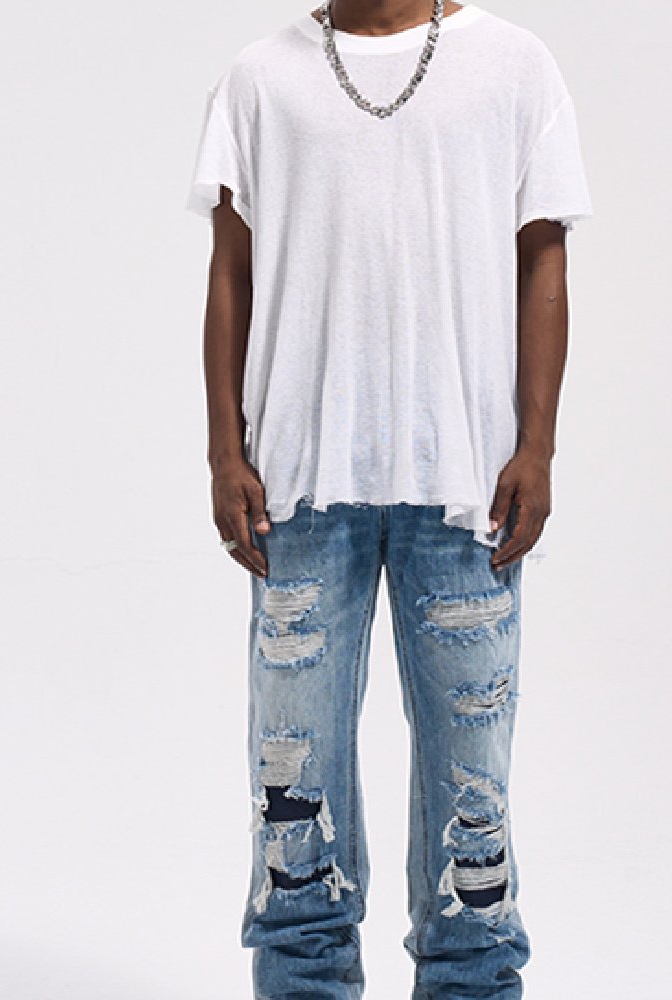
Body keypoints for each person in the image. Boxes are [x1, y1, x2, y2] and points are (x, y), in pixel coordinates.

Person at [186, 1, 593, 995]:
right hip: (296, 488)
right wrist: (223, 450)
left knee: (471, 802)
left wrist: (537, 445)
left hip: (465, 487)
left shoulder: (515, 66)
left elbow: (543, 251)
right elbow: (230, 267)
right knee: (294, 793)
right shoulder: (259, 78)